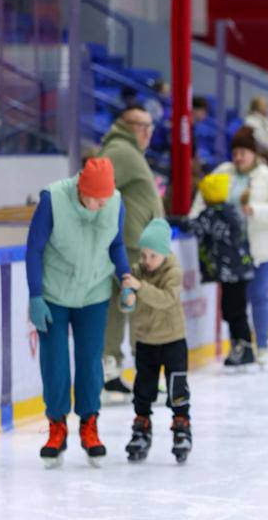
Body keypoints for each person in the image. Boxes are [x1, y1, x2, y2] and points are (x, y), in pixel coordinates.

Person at [26, 157, 132, 465]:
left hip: (95, 293)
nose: (102, 204)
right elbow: (34, 247)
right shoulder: (53, 199)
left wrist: (125, 276)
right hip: (54, 294)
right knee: (55, 363)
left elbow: (116, 244)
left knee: (90, 362)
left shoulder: (115, 201)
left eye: (106, 198)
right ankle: (56, 426)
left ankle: (89, 424)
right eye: (96, 199)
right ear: (80, 191)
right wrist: (35, 295)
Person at [193, 128, 268, 363]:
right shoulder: (223, 172)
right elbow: (203, 197)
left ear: (254, 153)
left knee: (259, 295)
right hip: (233, 252)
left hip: (264, 249)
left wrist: (255, 210)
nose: (239, 157)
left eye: (243, 152)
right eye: (235, 152)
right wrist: (195, 217)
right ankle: (240, 345)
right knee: (234, 301)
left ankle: (262, 344)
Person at [100, 106, 163, 399]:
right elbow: (96, 186)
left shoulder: (129, 151)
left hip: (138, 243)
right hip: (130, 244)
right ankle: (113, 372)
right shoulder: (121, 151)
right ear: (127, 125)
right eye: (142, 126)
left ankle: (116, 371)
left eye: (151, 126)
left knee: (127, 306)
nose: (148, 132)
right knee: (135, 307)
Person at [119, 219, 191, 461]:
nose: (146, 260)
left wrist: (139, 287)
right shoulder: (138, 270)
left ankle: (181, 427)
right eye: (143, 254)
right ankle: (141, 427)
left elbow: (165, 299)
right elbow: (127, 302)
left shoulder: (173, 271)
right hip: (146, 340)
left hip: (173, 340)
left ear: (164, 252)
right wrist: (127, 299)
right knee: (144, 387)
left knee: (177, 387)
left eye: (152, 255)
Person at [182, 173, 257, 368]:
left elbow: (192, 226)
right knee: (236, 310)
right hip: (241, 270)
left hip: (229, 273)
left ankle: (243, 347)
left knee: (234, 311)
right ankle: (241, 346)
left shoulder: (210, 214)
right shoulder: (232, 210)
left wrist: (172, 220)